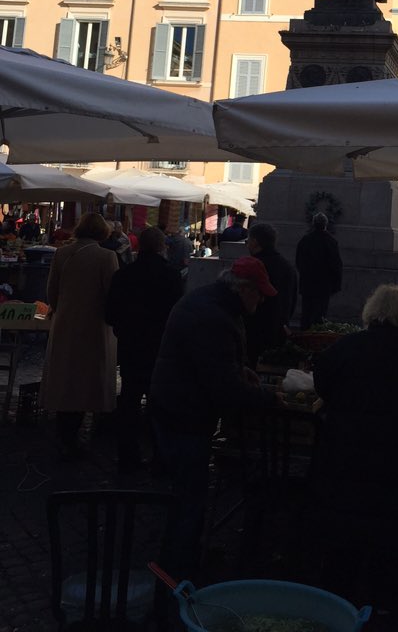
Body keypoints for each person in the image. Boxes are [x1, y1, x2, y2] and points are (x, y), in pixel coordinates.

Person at [312, 284, 398, 609]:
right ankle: (383, 606)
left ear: (370, 312)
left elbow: (322, 384)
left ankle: (338, 607)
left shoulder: (343, 349)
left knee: (344, 545)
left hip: (345, 458)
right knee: (389, 544)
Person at [149, 255, 278, 579]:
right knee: (189, 499)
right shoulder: (215, 317)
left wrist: (238, 369)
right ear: (244, 289)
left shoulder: (212, 303)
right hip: (184, 416)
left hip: (175, 407)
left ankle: (181, 561)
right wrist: (268, 398)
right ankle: (178, 574)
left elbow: (212, 364)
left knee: (185, 494)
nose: (261, 301)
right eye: (259, 293)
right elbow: (222, 386)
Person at [41, 212, 119, 459]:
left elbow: (51, 291)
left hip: (65, 323)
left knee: (66, 377)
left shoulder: (61, 253)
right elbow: (112, 294)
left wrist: (61, 310)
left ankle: (64, 433)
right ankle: (79, 435)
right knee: (89, 379)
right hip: (94, 326)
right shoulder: (107, 257)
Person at [105, 226, 183, 470]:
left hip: (131, 345)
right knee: (158, 402)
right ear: (161, 247)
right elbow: (177, 314)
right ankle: (160, 456)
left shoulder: (124, 275)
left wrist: (123, 328)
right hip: (160, 347)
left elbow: (110, 313)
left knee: (129, 399)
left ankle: (127, 455)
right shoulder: (171, 276)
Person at [244, 222, 299, 365]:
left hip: (253, 330)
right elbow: (292, 299)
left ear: (255, 241)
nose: (247, 244)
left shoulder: (251, 266)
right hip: (278, 330)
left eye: (248, 241)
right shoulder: (287, 267)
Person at [295, 212, 343, 329]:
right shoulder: (331, 241)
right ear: (326, 224)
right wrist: (336, 284)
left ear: (313, 224)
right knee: (320, 313)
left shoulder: (305, 240)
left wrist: (304, 274)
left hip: (308, 282)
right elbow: (336, 264)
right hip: (324, 284)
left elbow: (299, 261)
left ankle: (304, 334)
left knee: (306, 312)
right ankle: (316, 333)